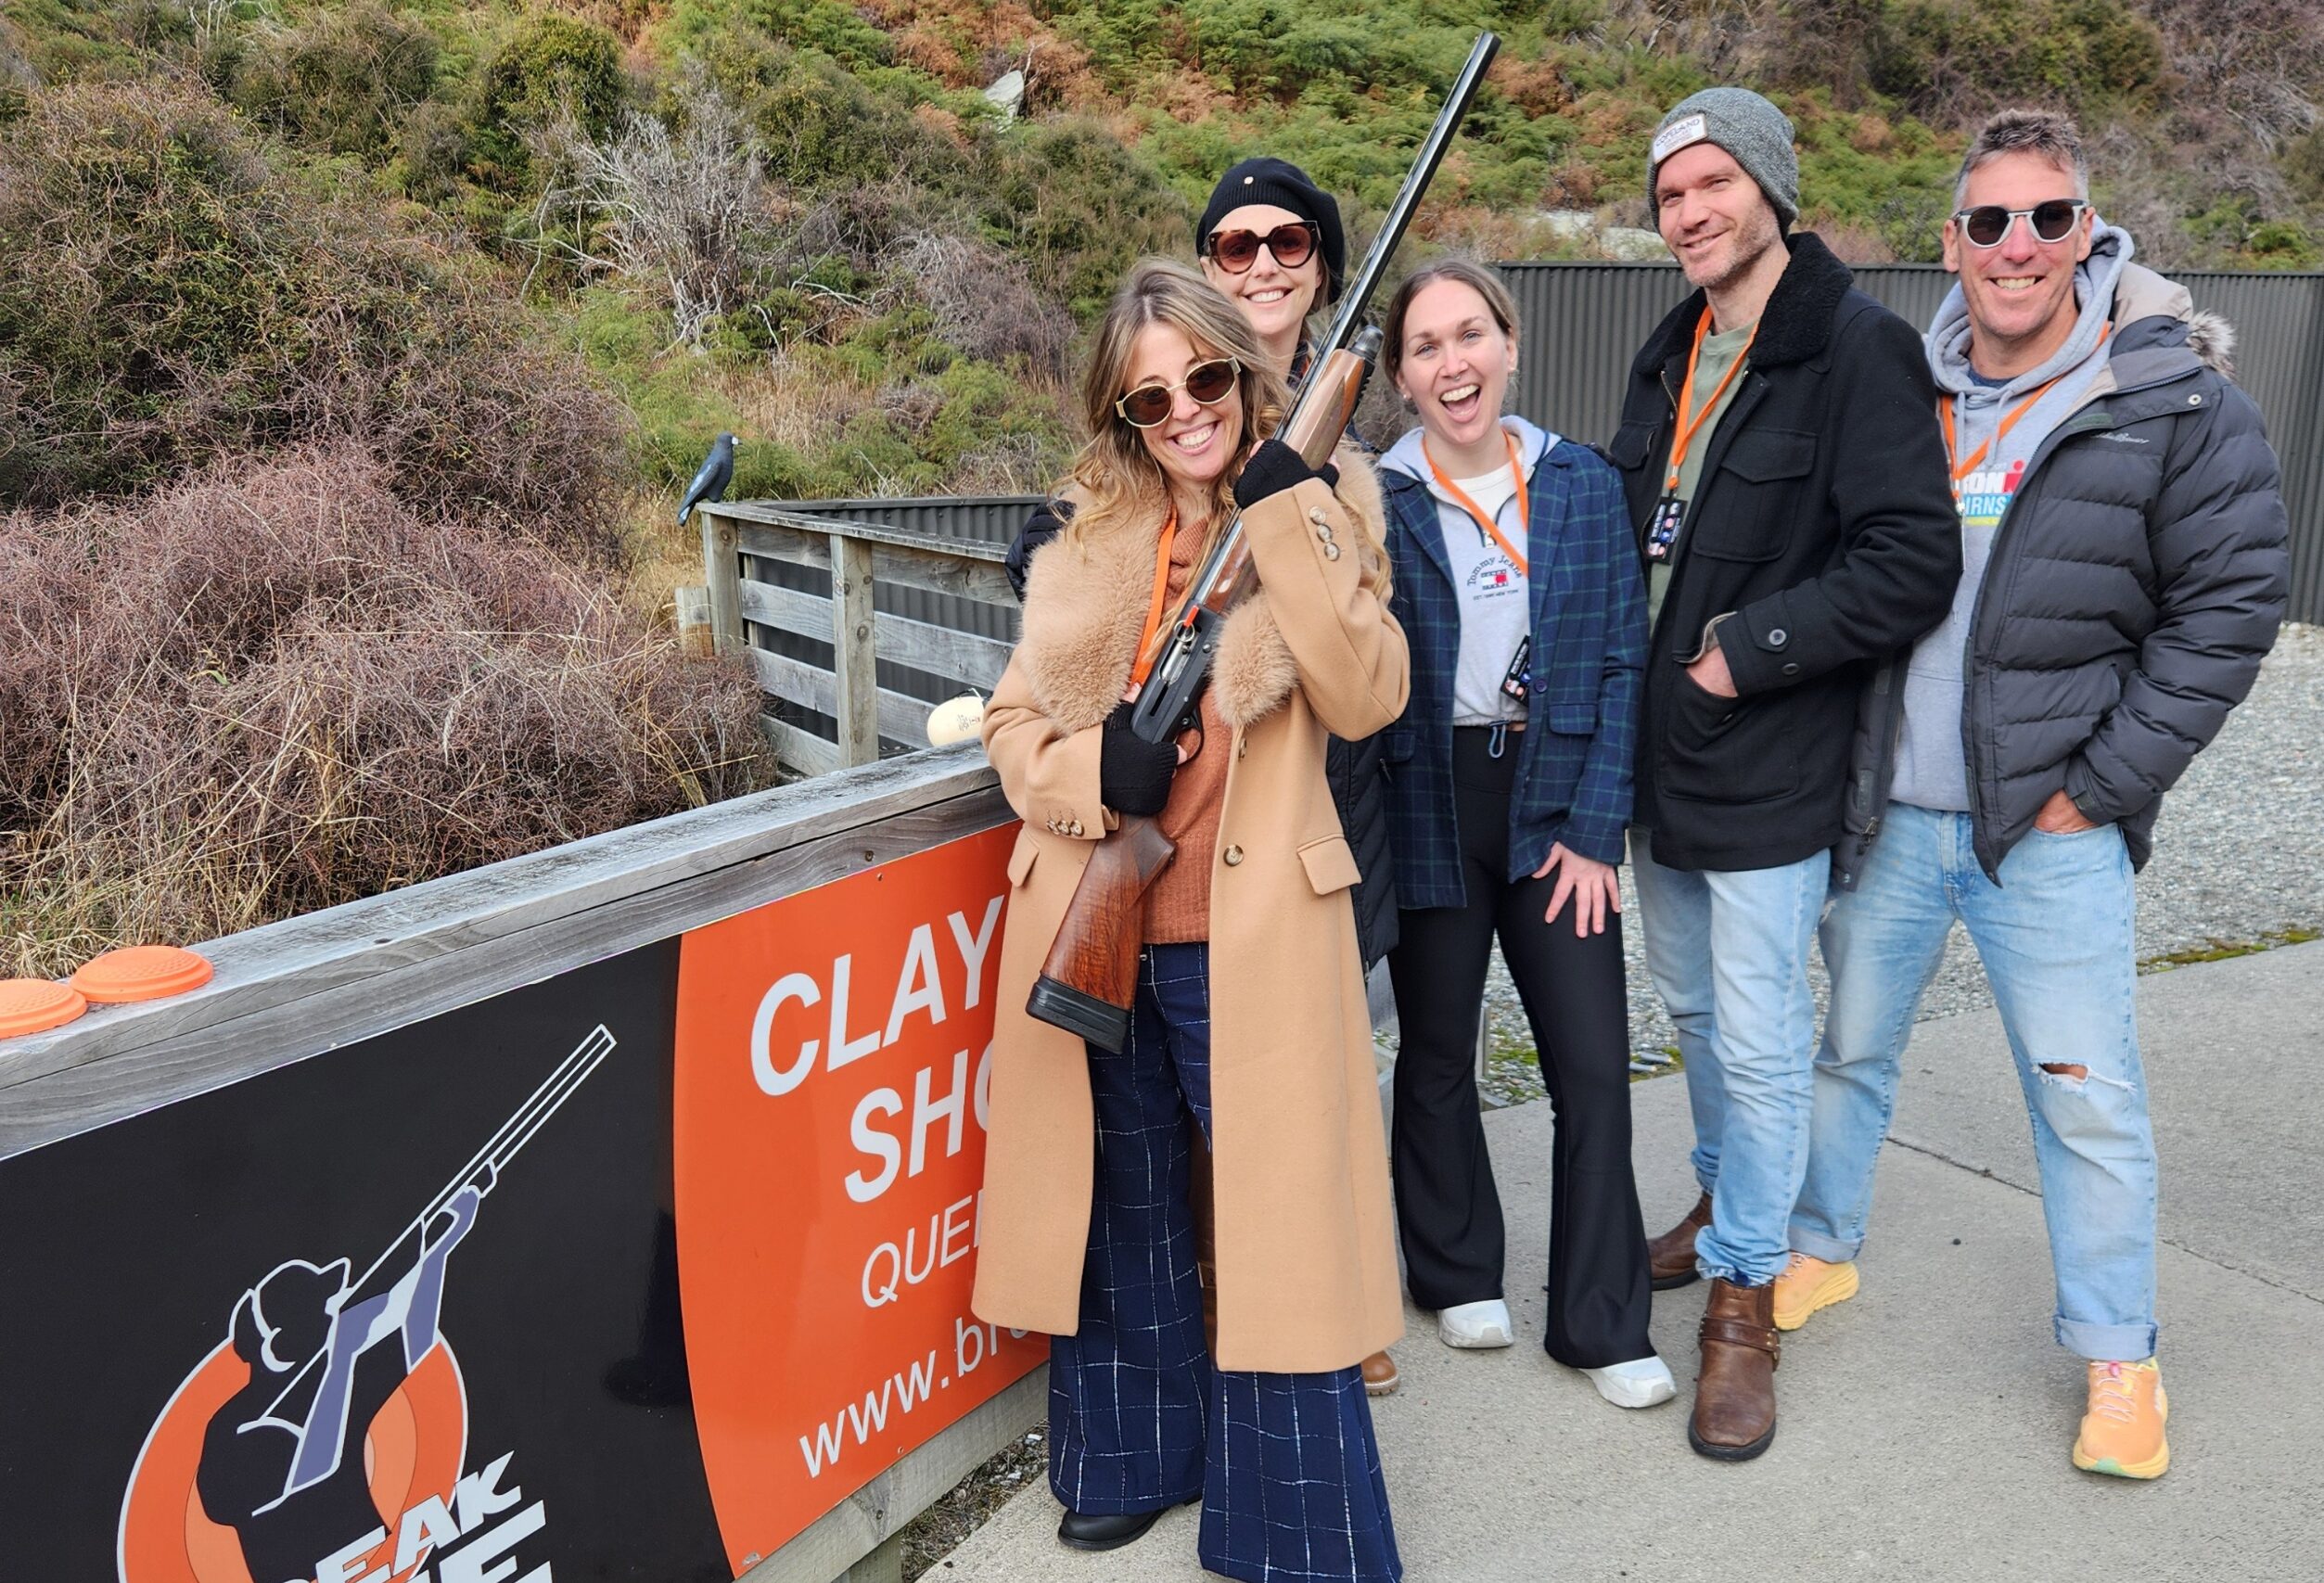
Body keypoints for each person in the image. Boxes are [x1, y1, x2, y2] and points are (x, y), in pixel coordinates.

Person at [1779, 109, 2290, 1480]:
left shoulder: (2168, 398)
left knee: (2084, 1095)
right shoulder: (1900, 390)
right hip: (1889, 817)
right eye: (1988, 221)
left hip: (2044, 836)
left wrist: (2102, 784)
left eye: (2046, 218)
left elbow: (2229, 608)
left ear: (2089, 234)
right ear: (1950, 243)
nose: (2016, 246)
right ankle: (1820, 1249)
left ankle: (2120, 1356)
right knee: (1843, 1054)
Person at [973, 258, 1410, 1579]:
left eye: (1205, 377)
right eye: (1148, 398)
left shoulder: (1331, 501)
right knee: (1125, 1196)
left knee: (1276, 1232)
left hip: (1253, 933)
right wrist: (1082, 771)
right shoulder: (1085, 538)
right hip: (1100, 920)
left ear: (1243, 367)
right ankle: (1130, 1453)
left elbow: (1370, 691)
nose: (1184, 412)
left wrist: (1286, 519)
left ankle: (1288, 1518)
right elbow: (1008, 722)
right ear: (1121, 419)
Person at [1604, 86, 1960, 1460]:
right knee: (1693, 1011)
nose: (1688, 212)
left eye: (1710, 184)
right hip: (1660, 767)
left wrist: (1736, 654)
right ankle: (1720, 1205)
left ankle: (1744, 1298)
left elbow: (1907, 560)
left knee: (1758, 1043)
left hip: (1764, 765)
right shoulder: (1669, 350)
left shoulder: (1858, 351)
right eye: (1668, 195)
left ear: (1769, 188)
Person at [1369, 260, 1668, 1411]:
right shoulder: (1376, 500)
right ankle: (1453, 1270)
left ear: (1509, 343)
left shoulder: (1580, 484)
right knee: (1437, 1049)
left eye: (1471, 336)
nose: (1454, 364)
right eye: (1428, 346)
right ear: (1400, 376)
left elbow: (1617, 659)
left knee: (1591, 1066)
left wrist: (1597, 831)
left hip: (1551, 801)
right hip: (1432, 794)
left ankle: (1600, 1322)